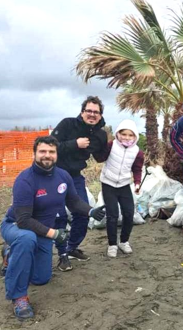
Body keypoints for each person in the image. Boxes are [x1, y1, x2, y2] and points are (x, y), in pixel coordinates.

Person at [0, 136, 105, 319]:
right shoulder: (25, 180)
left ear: (56, 154)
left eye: (51, 152)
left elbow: (73, 201)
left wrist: (91, 211)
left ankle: (10, 255)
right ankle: (18, 297)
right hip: (15, 226)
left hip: (42, 231)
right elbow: (23, 220)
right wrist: (54, 233)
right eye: (42, 151)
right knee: (26, 239)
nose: (47, 155)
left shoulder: (63, 176)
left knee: (41, 279)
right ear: (34, 153)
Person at [51, 96, 108, 270]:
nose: (92, 114)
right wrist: (75, 144)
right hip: (55, 174)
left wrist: (122, 146)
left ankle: (71, 247)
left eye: (96, 112)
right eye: (89, 111)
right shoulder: (68, 124)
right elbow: (51, 146)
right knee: (58, 215)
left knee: (83, 212)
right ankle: (61, 255)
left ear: (100, 115)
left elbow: (100, 155)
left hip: (75, 176)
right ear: (82, 112)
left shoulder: (100, 134)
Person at [98, 119, 144, 258]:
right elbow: (100, 157)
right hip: (108, 183)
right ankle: (112, 244)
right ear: (118, 134)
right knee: (112, 215)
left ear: (135, 136)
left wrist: (137, 183)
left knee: (129, 213)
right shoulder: (111, 145)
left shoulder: (137, 152)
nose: (127, 138)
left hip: (124, 184)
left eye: (130, 135)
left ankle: (124, 241)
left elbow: (137, 169)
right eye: (123, 134)